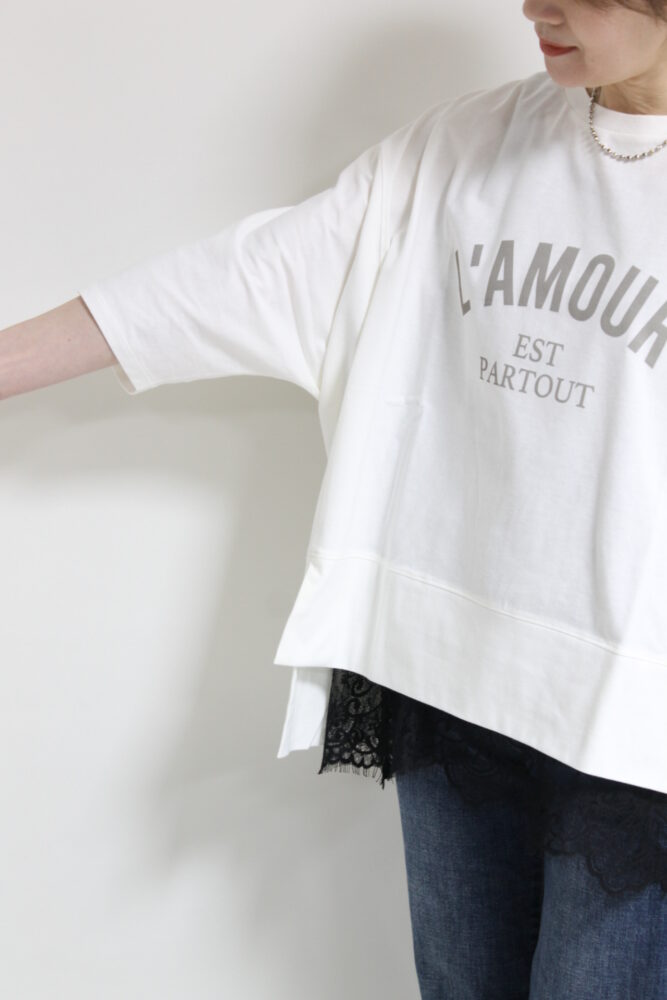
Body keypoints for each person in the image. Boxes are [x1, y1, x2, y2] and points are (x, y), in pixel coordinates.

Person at [1, 0, 666, 996]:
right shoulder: (461, 148)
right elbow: (235, 280)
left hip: (635, 724)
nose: (534, 8)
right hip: (449, 674)